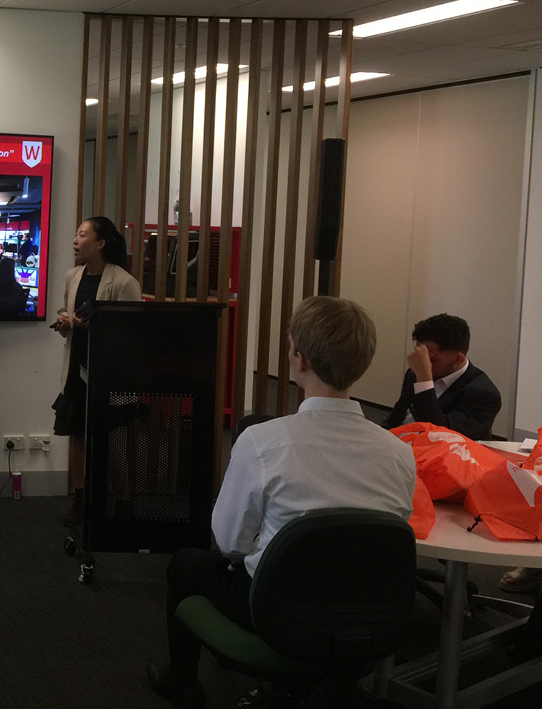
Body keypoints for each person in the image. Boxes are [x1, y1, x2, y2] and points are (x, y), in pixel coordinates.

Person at [146, 297, 416, 708]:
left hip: (275, 613)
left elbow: (230, 542)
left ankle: (182, 682)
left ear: (298, 358)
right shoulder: (398, 453)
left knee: (186, 563)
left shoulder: (262, 443)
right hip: (366, 623)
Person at [52, 216, 142, 526]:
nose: (75, 241)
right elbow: (66, 309)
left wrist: (95, 327)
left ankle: (124, 503)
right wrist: (66, 321)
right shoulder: (72, 276)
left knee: (114, 439)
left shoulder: (124, 282)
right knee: (77, 435)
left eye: (82, 235)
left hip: (108, 372)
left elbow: (133, 332)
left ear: (100, 243)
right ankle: (81, 498)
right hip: (77, 367)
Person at [381, 313, 501, 441]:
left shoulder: (484, 394)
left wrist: (424, 381)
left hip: (438, 453)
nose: (422, 363)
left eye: (431, 359)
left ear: (458, 359)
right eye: (420, 355)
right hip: (398, 443)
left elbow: (440, 435)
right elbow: (398, 415)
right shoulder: (414, 373)